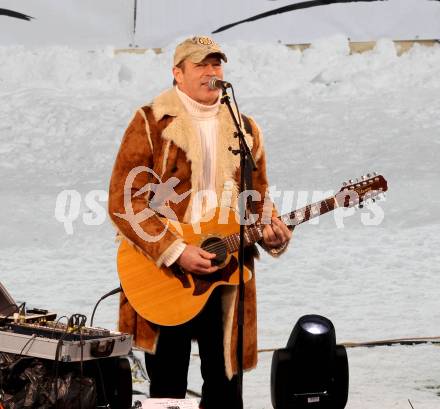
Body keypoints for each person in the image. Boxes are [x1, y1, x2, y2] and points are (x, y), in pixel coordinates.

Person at [108, 35, 292, 408]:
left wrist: (272, 233)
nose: (211, 72)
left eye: (216, 64)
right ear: (178, 73)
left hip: (227, 274)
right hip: (167, 278)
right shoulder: (151, 122)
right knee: (168, 389)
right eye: (201, 65)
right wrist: (175, 251)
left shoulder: (246, 129)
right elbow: (125, 201)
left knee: (226, 388)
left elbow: (255, 200)